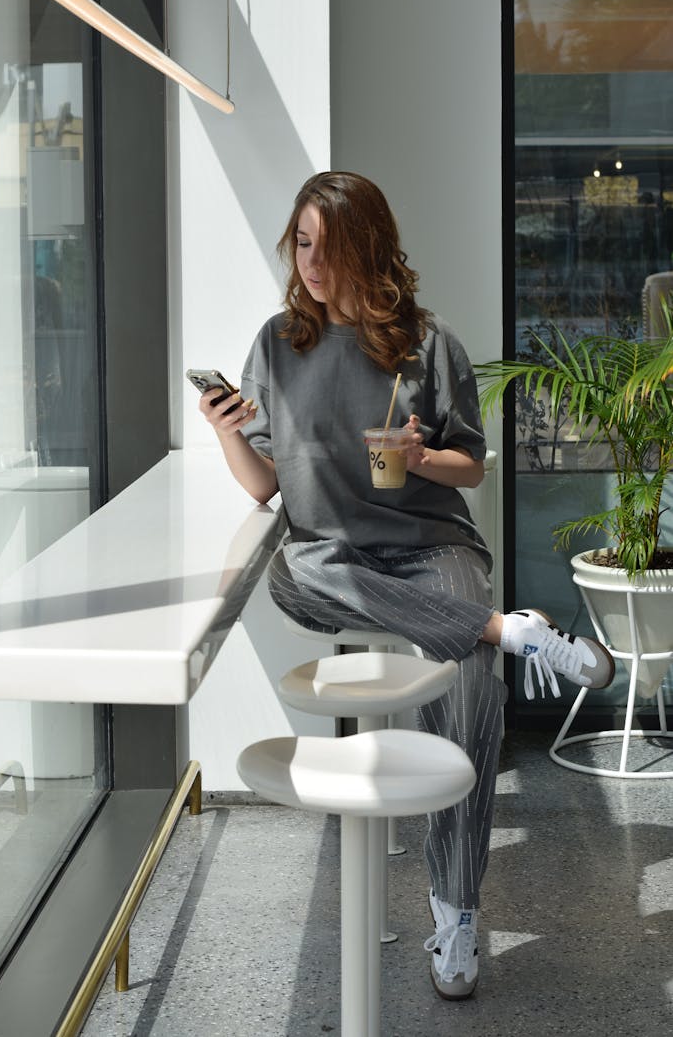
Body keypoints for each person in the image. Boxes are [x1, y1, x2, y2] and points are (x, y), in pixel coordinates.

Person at [197, 171, 614, 1001]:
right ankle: (506, 630)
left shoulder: (430, 343)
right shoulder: (278, 343)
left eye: (330, 243)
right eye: (302, 242)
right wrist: (224, 433)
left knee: (467, 690)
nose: (312, 261)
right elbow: (263, 488)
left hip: (427, 547)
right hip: (333, 561)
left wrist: (421, 458)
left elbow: (472, 466)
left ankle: (455, 912)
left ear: (369, 246)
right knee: (290, 571)